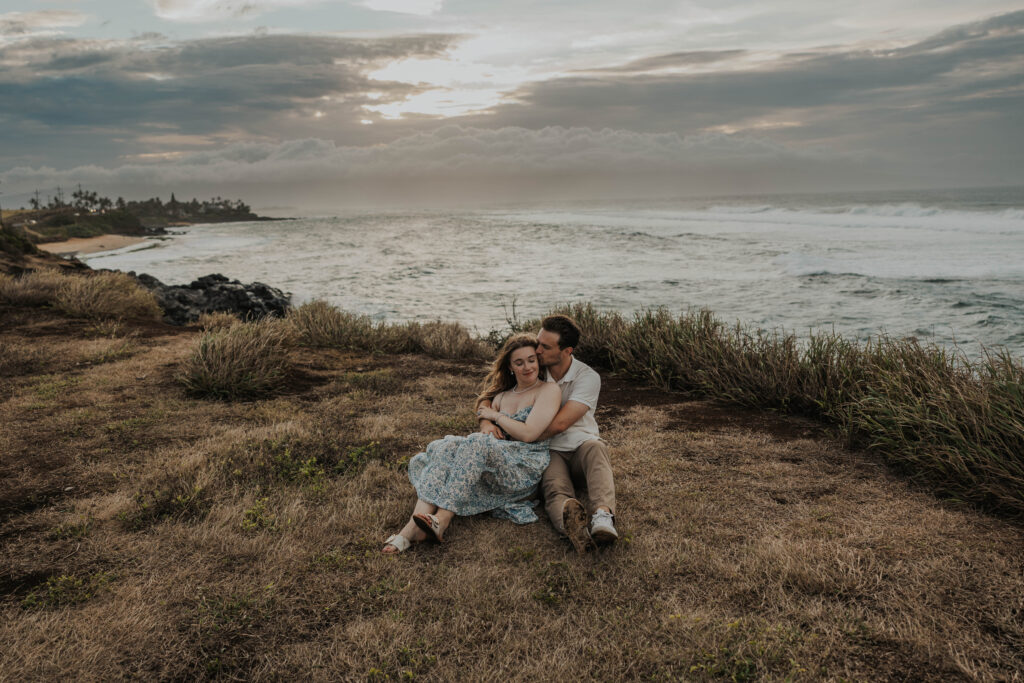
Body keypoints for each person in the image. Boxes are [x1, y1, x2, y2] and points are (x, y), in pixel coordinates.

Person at [382, 333, 562, 554]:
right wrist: (486, 421)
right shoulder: (501, 397)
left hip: (523, 467)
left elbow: (528, 434)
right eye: (519, 362)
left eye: (531, 360)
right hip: (494, 462)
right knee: (445, 447)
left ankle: (442, 519)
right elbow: (485, 411)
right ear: (510, 367)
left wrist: (495, 417)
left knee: (475, 442)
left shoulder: (548, 390)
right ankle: (409, 531)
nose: (527, 367)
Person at [479, 315, 617, 554]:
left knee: (596, 448)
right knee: (554, 488)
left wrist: (523, 435)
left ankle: (602, 517)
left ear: (566, 351)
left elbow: (561, 424)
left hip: (580, 444)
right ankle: (572, 528)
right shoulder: (534, 368)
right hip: (549, 450)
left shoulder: (587, 377)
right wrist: (485, 422)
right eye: (538, 342)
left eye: (545, 346)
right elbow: (493, 394)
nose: (537, 349)